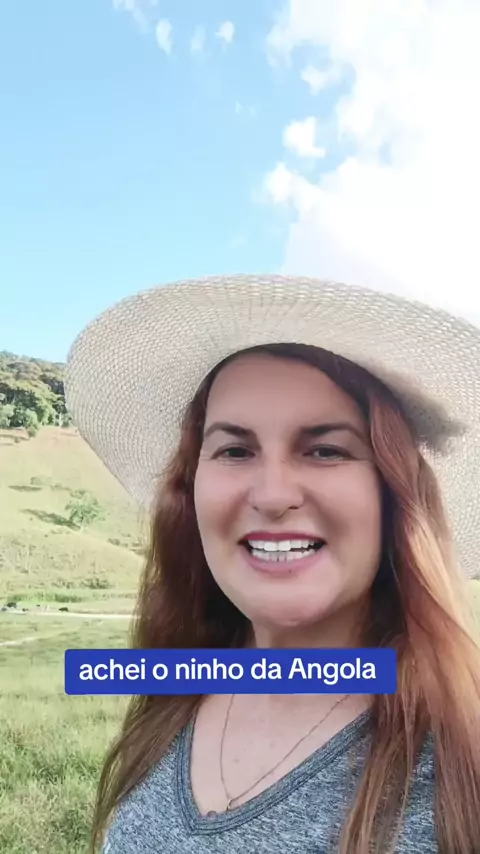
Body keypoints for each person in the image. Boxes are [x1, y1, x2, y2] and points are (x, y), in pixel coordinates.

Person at [65, 274, 480, 854]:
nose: (273, 495)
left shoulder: (459, 765)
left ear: (394, 495)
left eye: (325, 450)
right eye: (235, 450)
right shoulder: (179, 688)